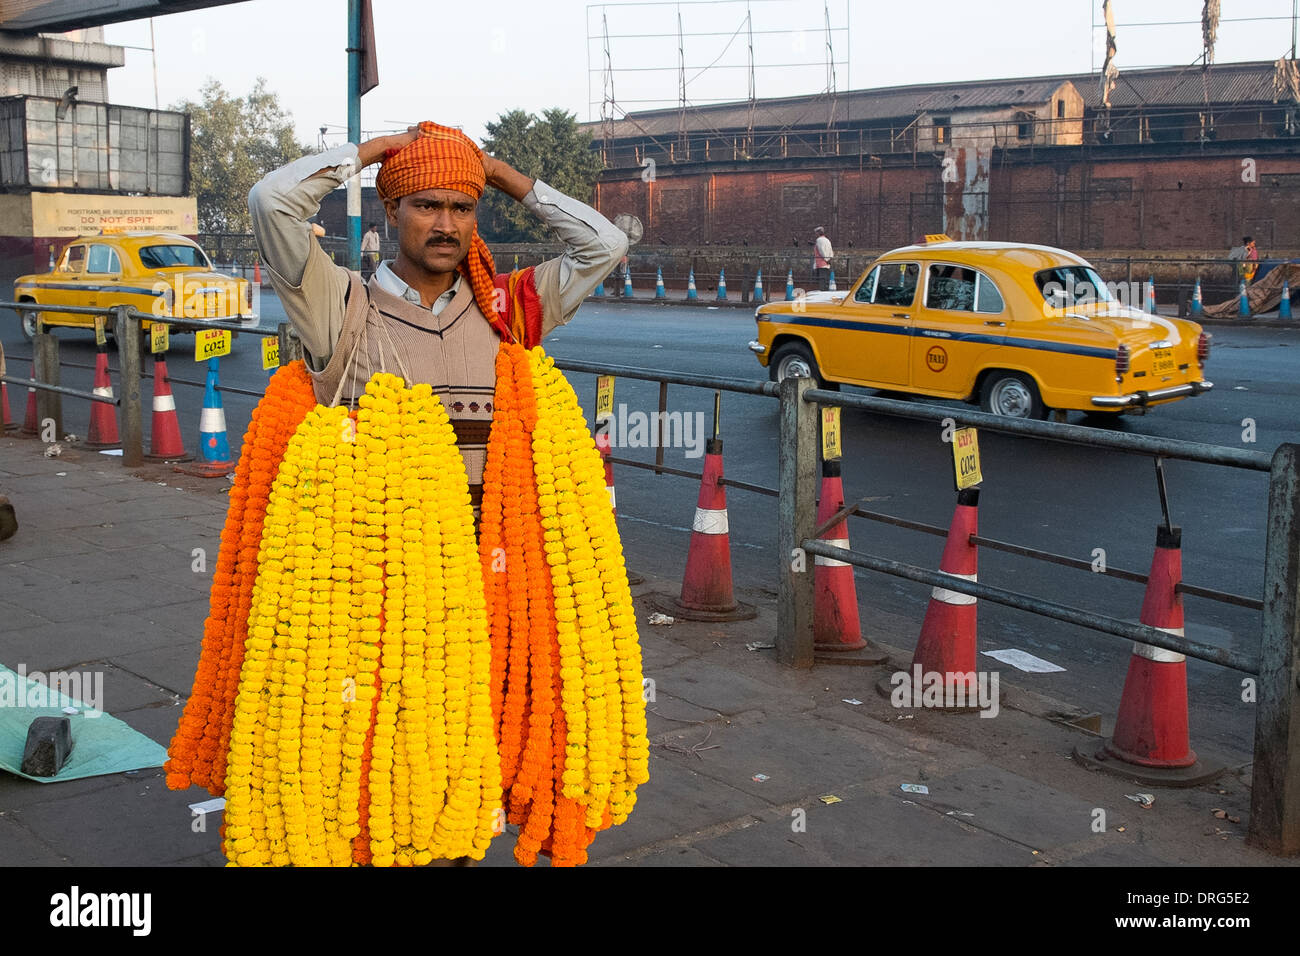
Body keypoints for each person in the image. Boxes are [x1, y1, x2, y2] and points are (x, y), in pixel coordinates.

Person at [249, 121, 627, 513]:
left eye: (462, 208)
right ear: (393, 210)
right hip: (379, 567)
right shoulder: (341, 307)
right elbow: (269, 202)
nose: (446, 226)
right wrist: (380, 149)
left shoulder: (503, 307)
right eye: (428, 206)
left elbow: (606, 245)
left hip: (492, 568)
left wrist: (495, 171)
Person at [813, 226, 834, 290]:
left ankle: (822, 291)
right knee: (825, 279)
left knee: (821, 279)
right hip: (827, 263)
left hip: (821, 262)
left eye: (816, 233)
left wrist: (826, 259)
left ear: (818, 233)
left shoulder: (819, 240)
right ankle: (825, 289)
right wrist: (829, 259)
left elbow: (821, 250)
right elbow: (831, 250)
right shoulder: (827, 240)